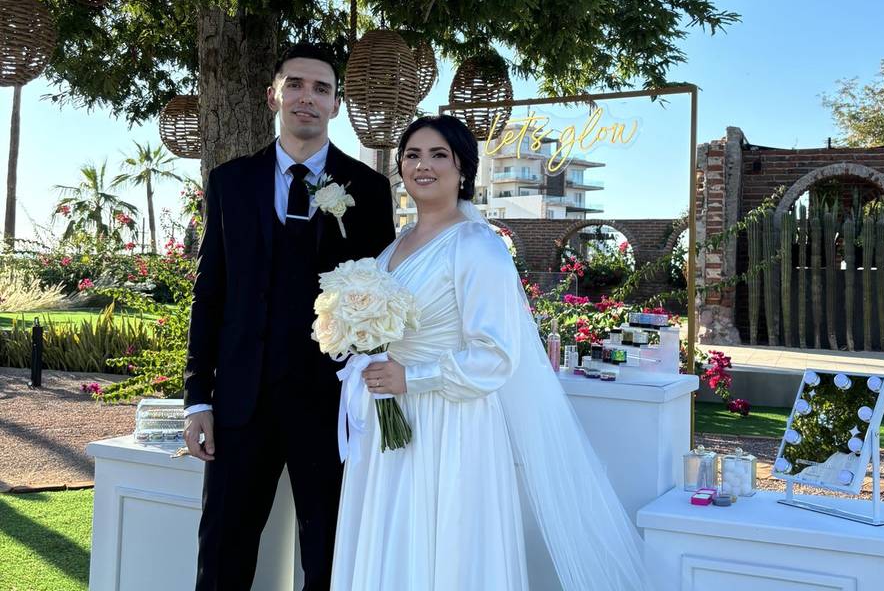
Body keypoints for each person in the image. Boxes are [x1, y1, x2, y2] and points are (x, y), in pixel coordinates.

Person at [331, 115, 654, 590]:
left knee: (447, 547)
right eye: (413, 155)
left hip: (450, 421)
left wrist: (411, 377)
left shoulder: (477, 245)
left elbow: (496, 356)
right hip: (394, 418)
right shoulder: (397, 243)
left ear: (464, 169)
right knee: (396, 539)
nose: (423, 165)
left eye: (439, 155)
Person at [182, 42, 396, 590]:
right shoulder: (231, 181)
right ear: (273, 93)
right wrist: (198, 398)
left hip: (329, 405)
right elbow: (211, 293)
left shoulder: (368, 190)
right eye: (296, 85)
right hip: (239, 402)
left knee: (329, 553)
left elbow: (381, 293)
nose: (307, 98)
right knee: (224, 549)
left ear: (337, 104)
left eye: (321, 89)